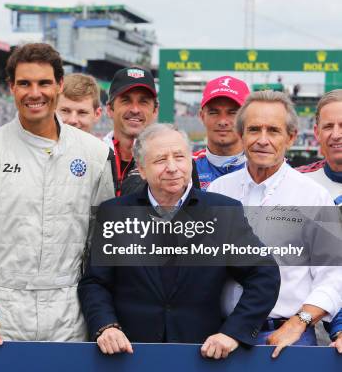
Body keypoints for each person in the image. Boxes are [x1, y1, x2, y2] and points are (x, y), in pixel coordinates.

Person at [0, 43, 115, 343]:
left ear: (59, 85)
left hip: (70, 313)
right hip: (2, 314)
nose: (34, 92)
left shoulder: (94, 155)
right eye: (24, 83)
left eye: (44, 83)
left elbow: (102, 244)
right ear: (11, 87)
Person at [78, 123, 280, 358]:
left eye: (179, 157)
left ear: (190, 162)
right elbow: (95, 283)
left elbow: (263, 274)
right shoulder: (115, 212)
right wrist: (106, 326)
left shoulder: (222, 211)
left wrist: (234, 332)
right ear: (142, 170)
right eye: (161, 160)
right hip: (129, 354)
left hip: (202, 356)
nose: (172, 168)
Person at [208, 90, 342, 358]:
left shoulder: (313, 195)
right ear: (241, 134)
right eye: (254, 129)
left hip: (287, 339)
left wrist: (298, 323)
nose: (262, 140)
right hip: (221, 337)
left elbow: (334, 275)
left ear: (290, 137)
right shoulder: (217, 191)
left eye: (274, 130)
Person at [295, 90, 342, 352]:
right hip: (309, 332)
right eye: (328, 126)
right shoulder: (296, 184)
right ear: (316, 132)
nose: (336, 134)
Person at [101, 67, 159, 196]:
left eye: (143, 101)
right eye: (126, 100)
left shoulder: (167, 162)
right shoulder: (93, 156)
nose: (135, 109)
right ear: (110, 109)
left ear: (155, 111)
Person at [193, 76, 250, 189]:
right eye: (214, 112)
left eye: (232, 112)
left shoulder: (267, 168)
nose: (223, 121)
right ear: (202, 116)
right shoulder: (184, 168)